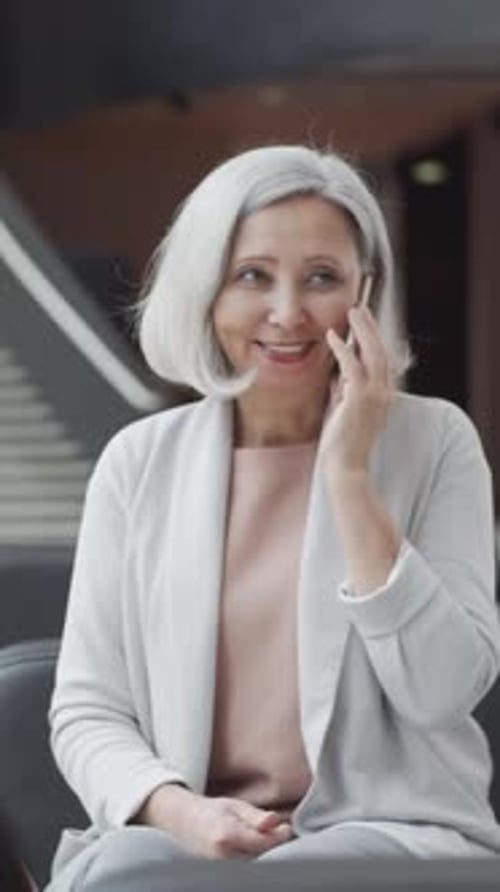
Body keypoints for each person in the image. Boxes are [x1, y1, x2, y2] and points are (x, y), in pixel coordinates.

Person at [46, 145, 500, 890]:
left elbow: (443, 689)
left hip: (390, 838)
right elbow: (90, 710)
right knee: (129, 873)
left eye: (322, 278)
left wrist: (350, 476)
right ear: (206, 291)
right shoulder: (138, 462)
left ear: (365, 290)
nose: (288, 314)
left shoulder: (436, 442)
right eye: (252, 276)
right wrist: (181, 813)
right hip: (187, 840)